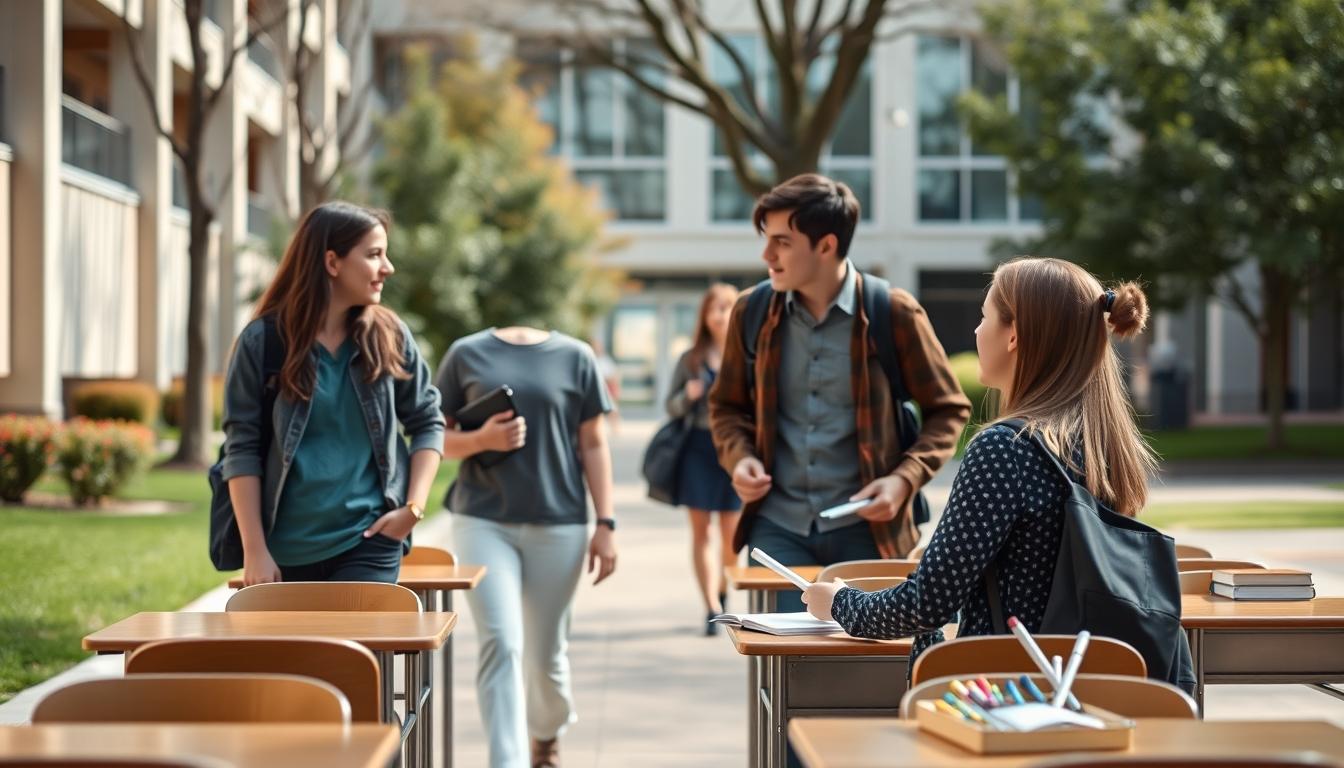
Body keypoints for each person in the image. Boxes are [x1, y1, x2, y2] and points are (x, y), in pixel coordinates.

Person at [802, 257, 1158, 672]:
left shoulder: (1005, 449)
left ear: (1014, 336)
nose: (975, 330)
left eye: (984, 316)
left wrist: (840, 603)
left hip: (1004, 689)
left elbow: (926, 605)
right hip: (1091, 682)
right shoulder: (1105, 447)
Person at [709, 174, 971, 613]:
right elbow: (726, 407)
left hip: (870, 531)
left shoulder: (894, 312)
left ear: (826, 246)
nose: (766, 254)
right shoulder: (751, 312)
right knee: (782, 667)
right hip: (778, 527)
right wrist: (740, 458)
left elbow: (948, 410)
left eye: (782, 242)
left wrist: (903, 479)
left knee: (863, 671)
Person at [220, 201, 446, 586]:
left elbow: (428, 420)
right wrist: (255, 551)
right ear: (332, 262)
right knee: (306, 651)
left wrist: (414, 507)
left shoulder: (389, 337)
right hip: (283, 550)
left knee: (356, 649)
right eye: (374, 255)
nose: (387, 268)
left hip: (370, 541)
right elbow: (241, 448)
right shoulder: (263, 344)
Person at [436, 324, 618, 768]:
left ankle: (546, 734)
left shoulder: (577, 357)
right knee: (501, 641)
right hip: (482, 520)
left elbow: (593, 442)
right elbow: (434, 438)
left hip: (560, 524)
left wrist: (606, 522)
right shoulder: (464, 353)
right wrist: (482, 440)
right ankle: (508, 760)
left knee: (545, 654)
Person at [665, 283, 743, 635]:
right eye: (714, 307)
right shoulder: (691, 358)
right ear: (704, 314)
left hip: (733, 452)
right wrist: (688, 394)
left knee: (731, 535)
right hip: (697, 448)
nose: (720, 314)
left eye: (727, 307)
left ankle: (723, 593)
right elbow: (670, 405)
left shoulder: (746, 355)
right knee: (701, 533)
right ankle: (710, 606)